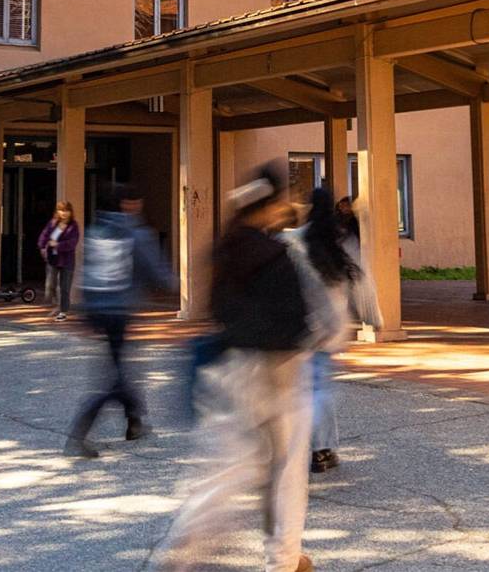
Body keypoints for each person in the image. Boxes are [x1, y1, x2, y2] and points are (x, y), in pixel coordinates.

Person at [160, 165, 316, 572]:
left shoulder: (225, 249)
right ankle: (283, 560)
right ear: (271, 204)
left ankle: (182, 548)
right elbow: (295, 321)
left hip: (231, 368)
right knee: (286, 473)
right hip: (278, 372)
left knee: (230, 468)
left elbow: (216, 309)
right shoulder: (275, 256)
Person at [65, 184, 176, 458]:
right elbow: (156, 271)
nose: (138, 207)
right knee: (115, 379)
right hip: (119, 311)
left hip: (98, 310)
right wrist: (176, 283)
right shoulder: (135, 234)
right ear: (126, 204)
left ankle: (134, 421)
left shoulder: (95, 232)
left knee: (120, 369)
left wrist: (82, 310)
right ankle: (79, 435)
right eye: (135, 202)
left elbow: (87, 273)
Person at [285, 186, 381, 474]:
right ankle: (322, 449)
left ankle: (304, 445)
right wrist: (372, 316)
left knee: (300, 388)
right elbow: (361, 281)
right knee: (318, 388)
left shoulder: (294, 241)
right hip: (329, 330)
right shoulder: (341, 242)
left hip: (299, 328)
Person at [38, 201, 81, 322]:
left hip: (67, 260)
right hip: (53, 259)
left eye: (66, 210)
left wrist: (58, 245)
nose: (64, 213)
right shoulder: (53, 224)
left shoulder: (73, 226)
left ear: (70, 212)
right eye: (61, 210)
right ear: (57, 211)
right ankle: (57, 304)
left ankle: (63, 311)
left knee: (64, 287)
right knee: (50, 285)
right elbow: (44, 236)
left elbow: (72, 243)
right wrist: (42, 247)